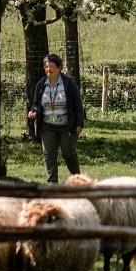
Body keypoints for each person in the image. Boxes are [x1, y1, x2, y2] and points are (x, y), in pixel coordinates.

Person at [27, 53, 85, 183]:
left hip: (67, 126)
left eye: (52, 66)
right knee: (49, 154)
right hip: (47, 126)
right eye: (46, 67)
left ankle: (78, 179)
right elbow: (36, 104)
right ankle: (52, 183)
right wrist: (33, 112)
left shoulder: (69, 83)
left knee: (68, 154)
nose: (49, 69)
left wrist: (80, 123)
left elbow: (77, 104)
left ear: (59, 67)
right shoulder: (41, 84)